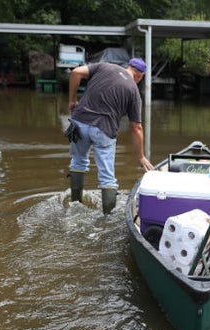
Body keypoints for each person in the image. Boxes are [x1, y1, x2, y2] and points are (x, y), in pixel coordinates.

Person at [66, 58, 154, 214]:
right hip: (104, 130)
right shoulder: (133, 90)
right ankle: (108, 218)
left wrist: (72, 100)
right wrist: (141, 157)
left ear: (128, 66)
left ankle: (75, 204)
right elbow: (136, 127)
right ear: (140, 76)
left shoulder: (104, 67)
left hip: (79, 123)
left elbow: (75, 72)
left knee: (78, 163)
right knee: (107, 177)